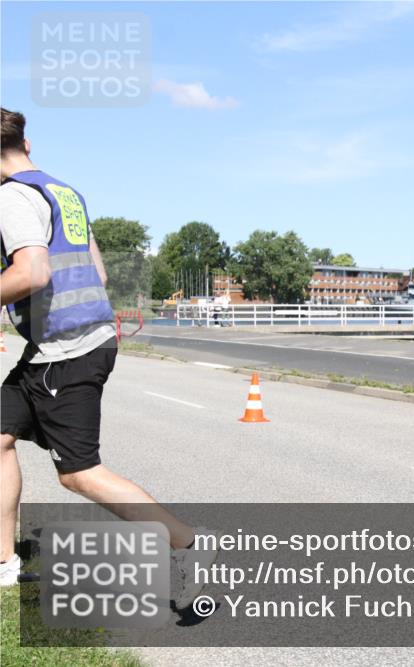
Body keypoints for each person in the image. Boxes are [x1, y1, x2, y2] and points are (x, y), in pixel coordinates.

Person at [0, 108, 213, 606]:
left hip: (65, 349)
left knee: (78, 472)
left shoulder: (10, 197)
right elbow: (99, 269)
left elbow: (31, 272)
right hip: (67, 343)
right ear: (26, 144)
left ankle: (186, 544)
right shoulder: (63, 192)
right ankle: (4, 563)